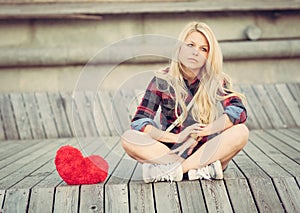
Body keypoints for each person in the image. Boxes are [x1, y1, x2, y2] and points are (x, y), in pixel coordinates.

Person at [121, 22, 249, 183]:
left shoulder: (216, 80)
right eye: (190, 45)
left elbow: (238, 111)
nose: (196, 52)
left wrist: (206, 130)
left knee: (241, 132)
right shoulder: (162, 80)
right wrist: (178, 138)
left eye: (203, 49)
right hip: (172, 152)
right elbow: (140, 121)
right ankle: (198, 171)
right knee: (129, 137)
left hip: (207, 152)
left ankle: (177, 171)